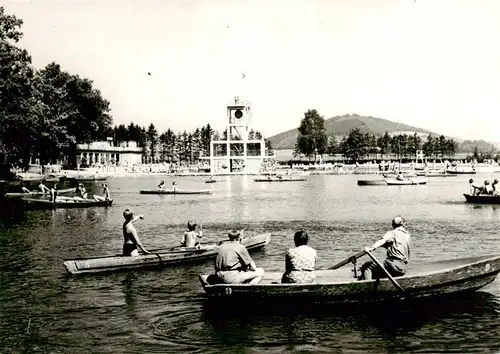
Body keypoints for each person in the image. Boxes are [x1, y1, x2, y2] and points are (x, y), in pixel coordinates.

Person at [359, 216, 411, 280]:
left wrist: (371, 248)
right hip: (403, 267)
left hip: (393, 265)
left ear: (392, 225)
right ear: (403, 224)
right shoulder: (407, 235)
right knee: (378, 271)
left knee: (367, 266)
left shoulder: (392, 233)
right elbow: (394, 245)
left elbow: (382, 241)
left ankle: (367, 286)